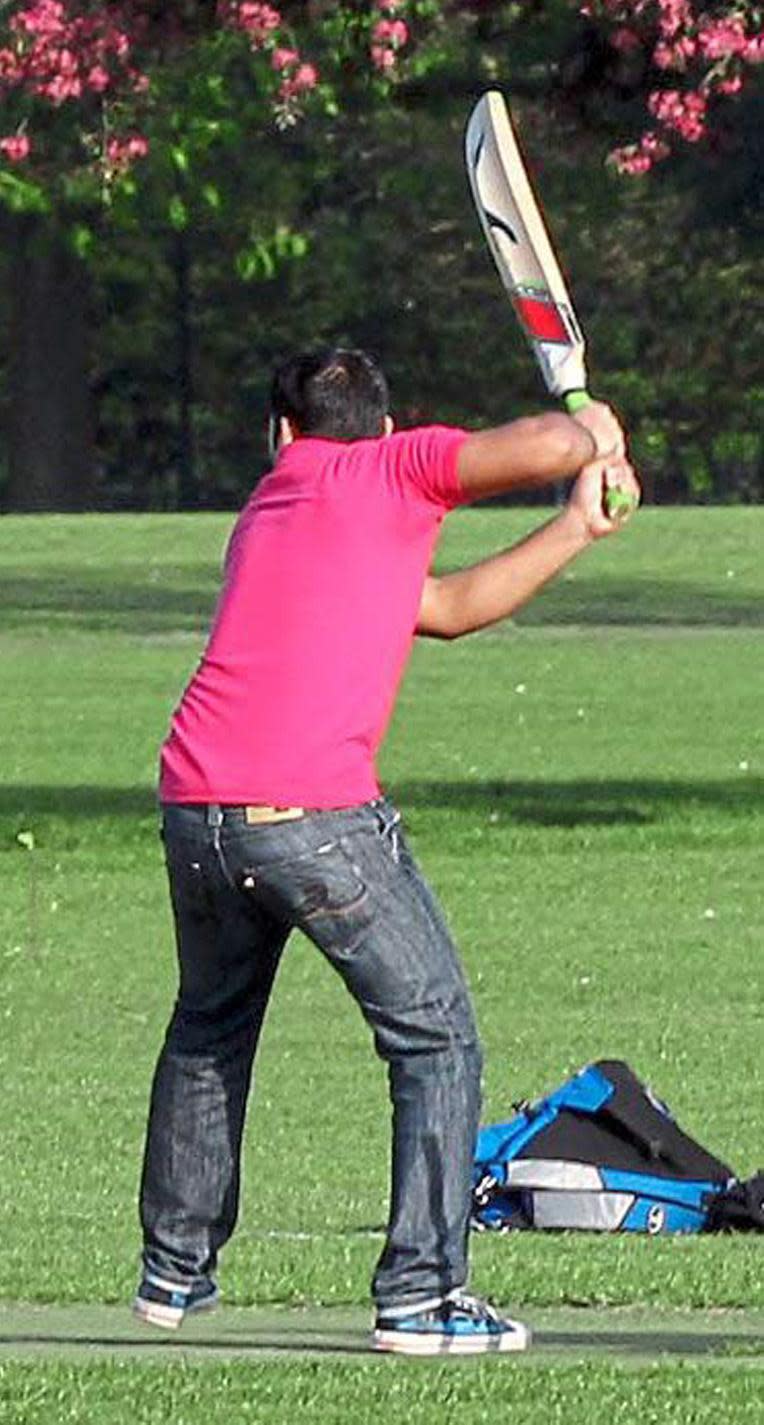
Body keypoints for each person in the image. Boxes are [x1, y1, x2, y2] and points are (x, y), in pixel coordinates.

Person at [133, 346, 638, 1353]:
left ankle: (174, 1271)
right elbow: (540, 441)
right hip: (310, 815)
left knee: (210, 1026)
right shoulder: (389, 469)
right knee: (436, 1036)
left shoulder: (271, 506)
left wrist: (574, 524)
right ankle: (421, 1296)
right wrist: (593, 429)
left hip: (196, 805)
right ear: (383, 422)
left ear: (276, 432)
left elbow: (441, 610)